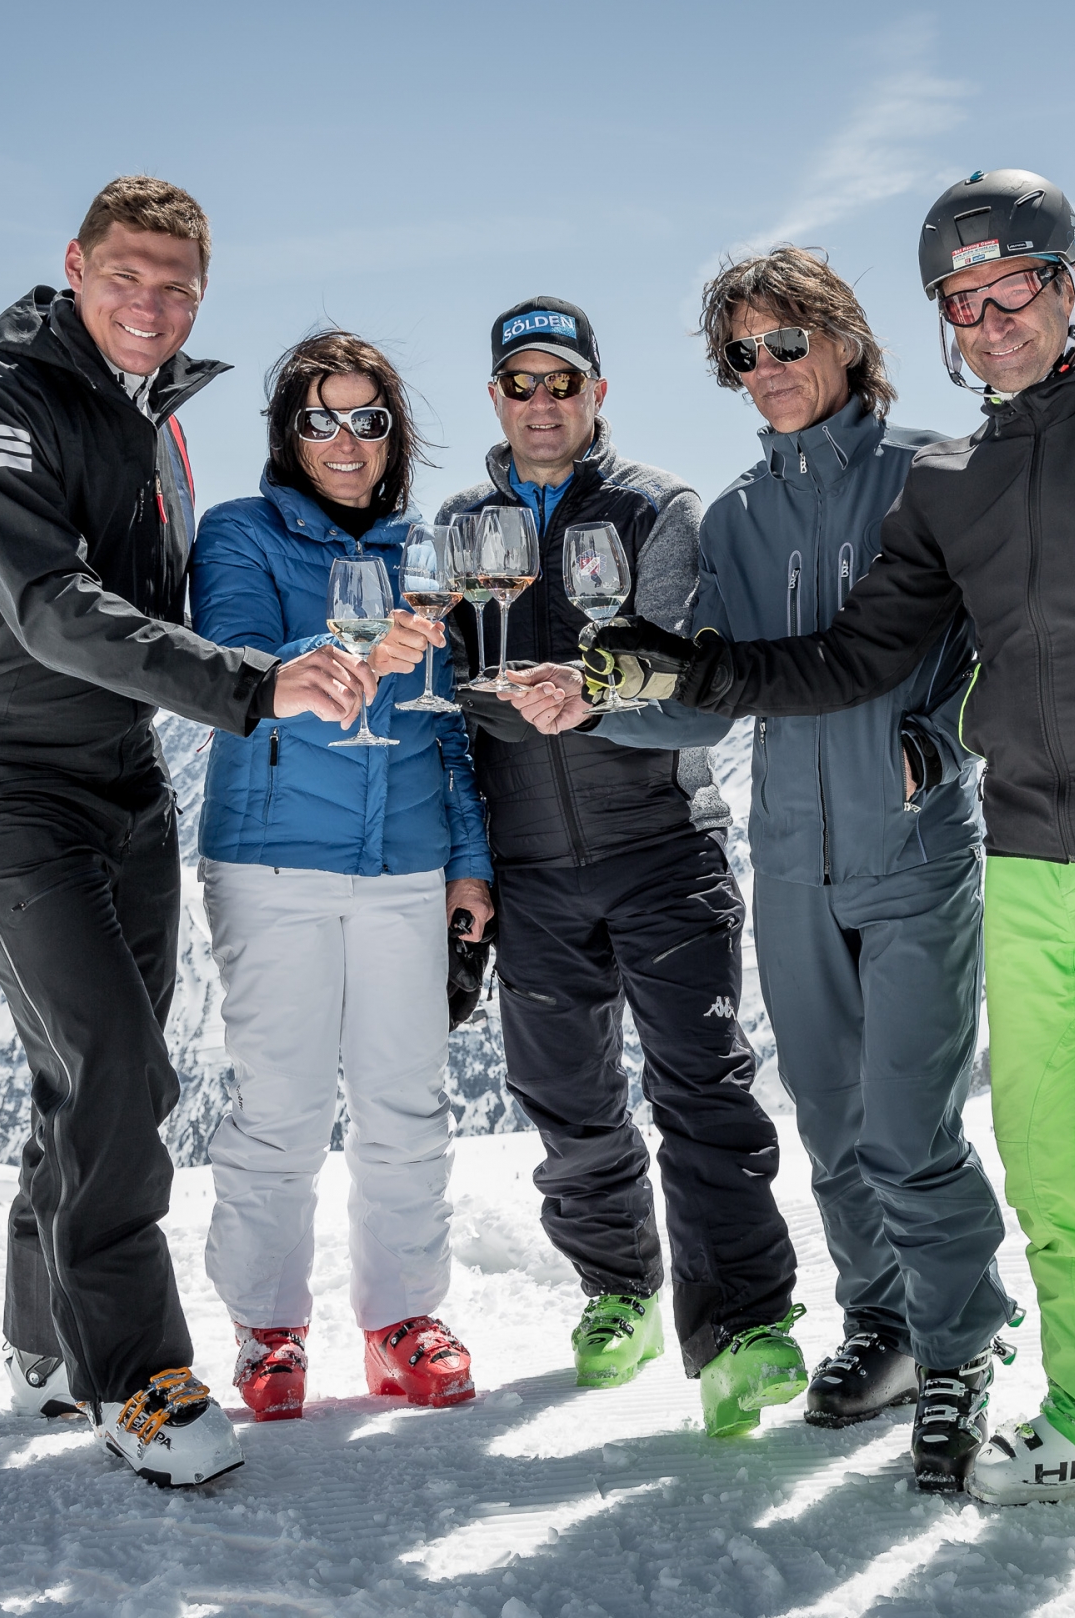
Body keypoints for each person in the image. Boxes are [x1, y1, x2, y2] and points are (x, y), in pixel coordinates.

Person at [578, 170, 1075, 1591]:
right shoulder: (953, 482)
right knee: (1053, 1169)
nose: (988, 320)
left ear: (1068, 279)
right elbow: (852, 653)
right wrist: (687, 668)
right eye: (962, 303)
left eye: (1009, 288)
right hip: (1027, 859)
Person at [0, 176, 393, 1489]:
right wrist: (249, 690)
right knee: (113, 1059)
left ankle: (44, 1337)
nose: (153, 304)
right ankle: (136, 1373)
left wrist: (308, 648)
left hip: (119, 780)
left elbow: (165, 615)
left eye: (179, 286)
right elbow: (51, 611)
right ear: (75, 266)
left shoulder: (154, 427)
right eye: (128, 276)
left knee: (98, 1073)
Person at [500, 249, 1016, 1491]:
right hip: (789, 854)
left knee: (910, 1128)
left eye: (787, 342)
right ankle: (882, 1326)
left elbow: (1009, 641)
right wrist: (596, 705)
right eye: (742, 353)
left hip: (909, 847)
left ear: (844, 339)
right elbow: (702, 704)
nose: (767, 371)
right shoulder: (732, 517)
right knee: (833, 1128)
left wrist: (938, 737)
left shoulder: (932, 475)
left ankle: (959, 1349)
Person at [441, 297, 803, 1437]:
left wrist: (585, 698)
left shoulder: (655, 509)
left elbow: (690, 696)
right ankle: (618, 1292)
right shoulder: (460, 522)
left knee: (702, 1085)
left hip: (659, 846)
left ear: (597, 392)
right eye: (519, 383)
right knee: (568, 1099)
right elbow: (441, 701)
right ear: (494, 397)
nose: (541, 403)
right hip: (530, 861)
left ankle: (743, 1326)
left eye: (563, 382)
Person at [188, 330, 495, 1423]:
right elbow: (241, 665)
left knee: (407, 1102)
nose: (345, 439)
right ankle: (266, 1328)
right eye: (320, 417)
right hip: (274, 856)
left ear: (392, 432)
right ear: (289, 432)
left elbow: (444, 728)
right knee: (281, 1106)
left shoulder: (431, 550)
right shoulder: (240, 534)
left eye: (367, 417)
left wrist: (469, 860)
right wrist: (363, 651)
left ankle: (402, 1317)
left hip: (408, 861)